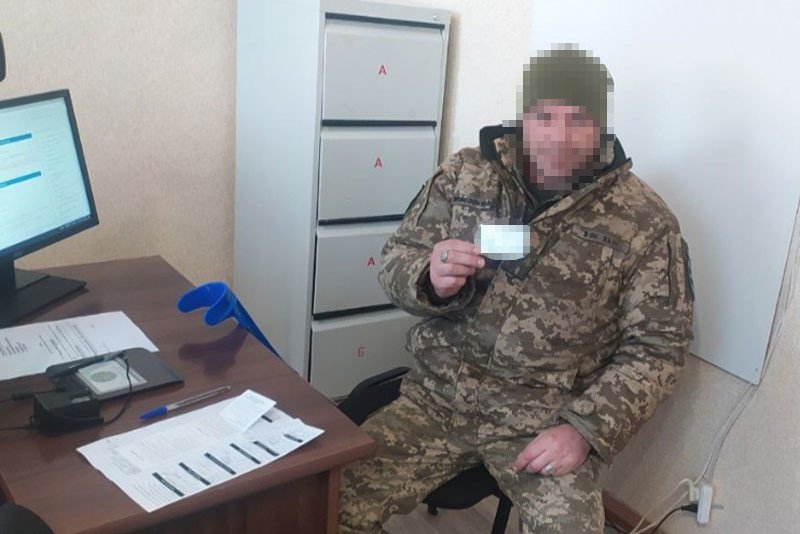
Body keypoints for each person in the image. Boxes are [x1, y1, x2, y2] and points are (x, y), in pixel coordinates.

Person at [339, 44, 694, 534]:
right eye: (545, 117)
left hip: (542, 422)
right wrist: (429, 277)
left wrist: (584, 431)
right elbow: (398, 256)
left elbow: (658, 348)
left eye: (578, 120)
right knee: (324, 503)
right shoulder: (466, 173)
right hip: (435, 401)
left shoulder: (645, 223)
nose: (559, 138)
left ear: (601, 127)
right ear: (524, 118)